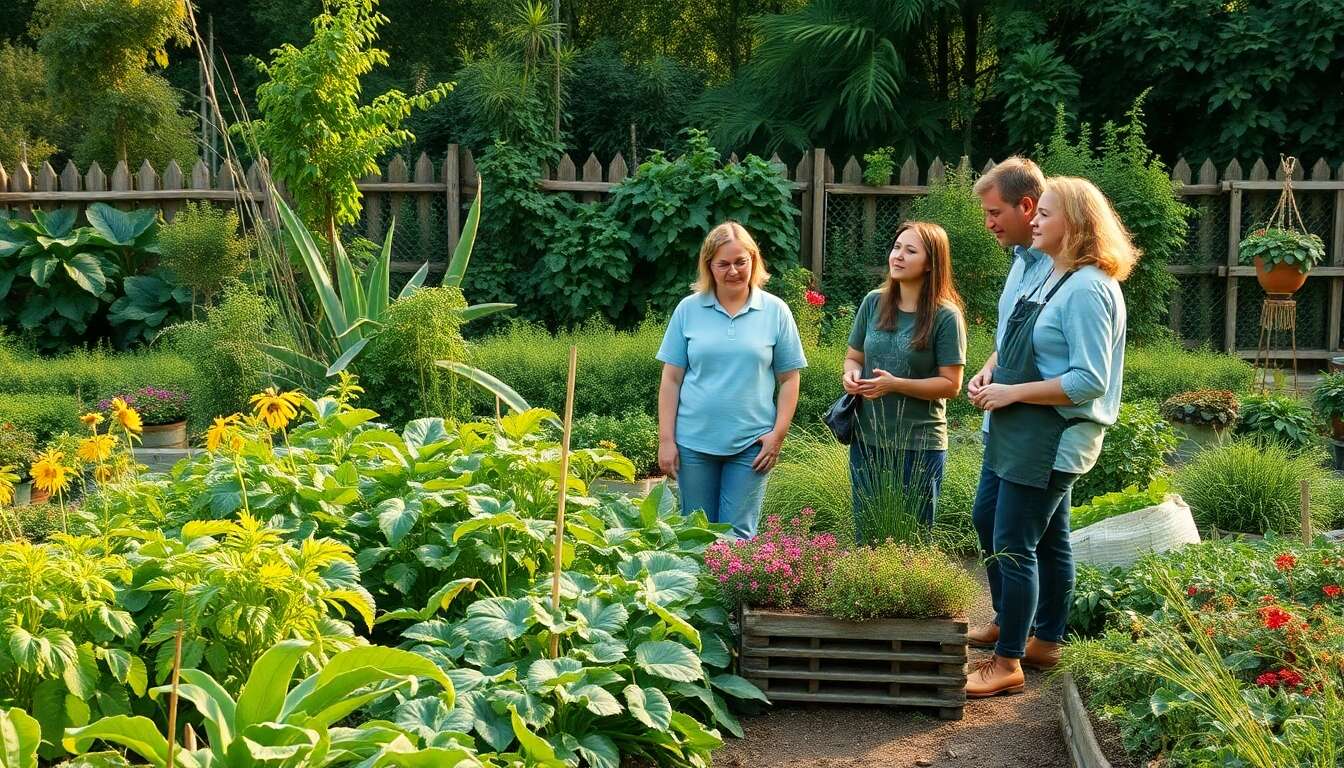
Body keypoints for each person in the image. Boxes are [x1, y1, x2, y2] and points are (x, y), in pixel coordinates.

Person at [965, 174, 1135, 698]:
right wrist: (993, 372)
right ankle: (1044, 639)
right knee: (1027, 531)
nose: (1034, 218)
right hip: (1018, 430)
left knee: (1013, 543)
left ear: (1077, 223)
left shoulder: (1089, 289)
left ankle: (1008, 661)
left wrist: (1014, 394)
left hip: (1051, 437)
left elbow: (1089, 381)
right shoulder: (1051, 276)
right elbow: (1019, 338)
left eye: (1046, 213)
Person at [656, 221, 807, 539]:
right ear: (709, 265)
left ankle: (729, 592)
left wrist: (777, 435)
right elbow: (671, 379)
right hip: (693, 444)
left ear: (754, 260)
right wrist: (666, 440)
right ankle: (698, 591)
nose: (733, 271)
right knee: (695, 534)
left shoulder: (775, 311)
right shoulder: (688, 310)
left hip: (751, 445)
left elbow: (790, 379)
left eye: (741, 261)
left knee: (737, 537)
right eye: (723, 263)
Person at [842, 221, 966, 543]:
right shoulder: (873, 302)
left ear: (930, 264)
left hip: (919, 444)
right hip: (868, 439)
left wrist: (895, 384)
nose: (897, 256)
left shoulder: (945, 316)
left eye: (910, 251)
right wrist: (851, 375)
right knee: (867, 538)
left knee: (914, 541)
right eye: (897, 247)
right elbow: (853, 356)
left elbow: (951, 385)